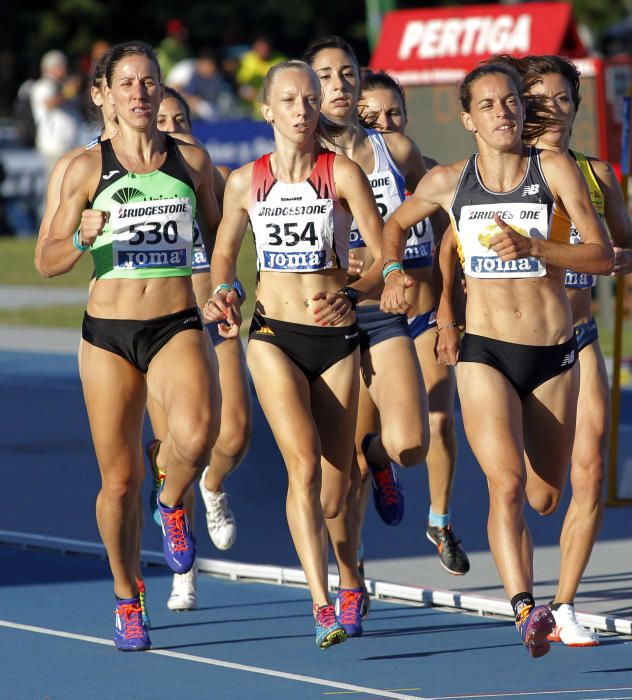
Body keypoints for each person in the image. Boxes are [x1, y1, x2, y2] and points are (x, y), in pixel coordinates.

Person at [380, 61, 614, 657]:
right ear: (468, 120)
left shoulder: (554, 169)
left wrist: (537, 247)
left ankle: (533, 599)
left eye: (509, 101)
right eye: (487, 105)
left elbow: (603, 254)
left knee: (544, 495)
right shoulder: (450, 183)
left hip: (553, 351)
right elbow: (393, 224)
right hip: (485, 351)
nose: (502, 112)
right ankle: (524, 607)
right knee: (504, 484)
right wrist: (390, 273)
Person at [39, 41, 222, 651]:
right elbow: (47, 260)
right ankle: (127, 596)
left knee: (196, 435)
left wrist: (225, 286)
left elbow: (222, 238)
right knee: (117, 482)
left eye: (149, 82)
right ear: (103, 96)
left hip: (175, 322)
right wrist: (85, 237)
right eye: (128, 84)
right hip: (109, 335)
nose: (141, 94)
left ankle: (170, 501)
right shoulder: (83, 169)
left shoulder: (193, 163)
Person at [205, 59, 386, 648]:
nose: (303, 111)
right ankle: (321, 603)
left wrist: (355, 292)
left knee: (337, 487)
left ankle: (352, 574)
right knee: (302, 466)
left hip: (334, 338)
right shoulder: (245, 181)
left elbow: (382, 257)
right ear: (267, 111)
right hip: (273, 336)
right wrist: (224, 291)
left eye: (310, 101)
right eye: (289, 101)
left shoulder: (344, 174)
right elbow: (224, 256)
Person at [506, 54, 632, 647]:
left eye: (565, 99)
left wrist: (610, 258)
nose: (554, 110)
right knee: (542, 493)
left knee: (590, 472)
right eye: (540, 99)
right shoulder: (504, 172)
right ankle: (528, 597)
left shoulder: (598, 175)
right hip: (518, 342)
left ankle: (562, 605)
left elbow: (628, 249)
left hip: (579, 337)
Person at [304, 37, 430, 617]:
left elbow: (437, 209)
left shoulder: (394, 148)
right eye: (325, 75)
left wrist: (395, 263)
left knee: (409, 444)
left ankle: (374, 455)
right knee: (335, 490)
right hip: (327, 319)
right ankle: (351, 578)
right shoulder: (298, 156)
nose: (338, 84)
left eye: (347, 73)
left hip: (381, 309)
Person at [357, 69, 469, 576]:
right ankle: (351, 552)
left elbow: (450, 242)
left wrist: (451, 307)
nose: (385, 124)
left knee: (441, 416)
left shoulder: (428, 174)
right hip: (371, 324)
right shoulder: (342, 173)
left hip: (422, 316)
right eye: (371, 117)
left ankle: (440, 521)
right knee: (368, 444)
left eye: (393, 113)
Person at [147, 86, 252, 613]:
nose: (173, 126)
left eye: (181, 118)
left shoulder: (214, 179)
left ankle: (214, 486)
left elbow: (233, 244)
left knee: (234, 432)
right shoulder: (140, 182)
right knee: (178, 445)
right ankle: (182, 575)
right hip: (164, 328)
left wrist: (228, 289)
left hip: (214, 318)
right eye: (163, 119)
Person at [30, 50, 81, 193]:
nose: (64, 69)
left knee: (69, 190)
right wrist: (69, 91)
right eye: (60, 66)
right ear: (48, 68)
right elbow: (49, 102)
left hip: (69, 146)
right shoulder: (43, 85)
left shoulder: (62, 86)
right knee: (56, 191)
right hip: (54, 148)